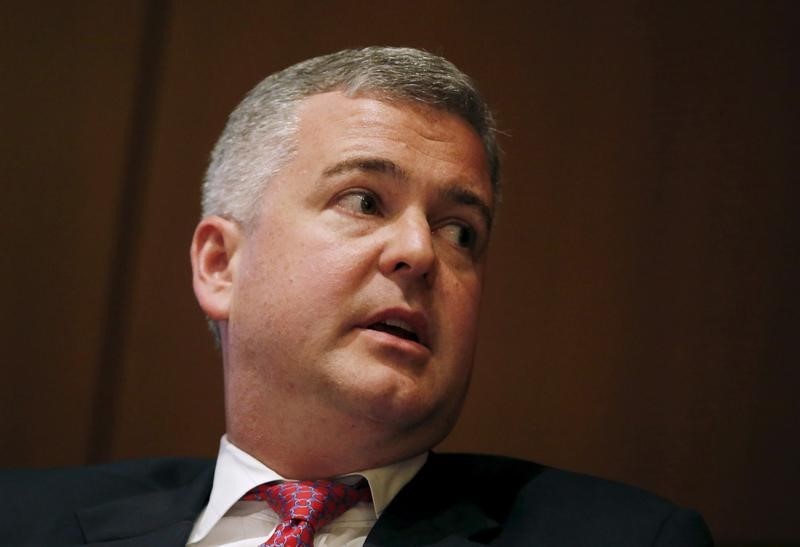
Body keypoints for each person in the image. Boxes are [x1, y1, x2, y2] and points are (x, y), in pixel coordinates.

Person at [0, 47, 713, 546]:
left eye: (461, 231)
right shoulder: (21, 520)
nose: (419, 251)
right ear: (220, 265)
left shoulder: (623, 537)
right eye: (365, 199)